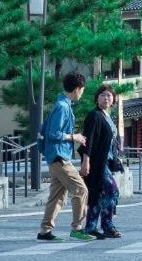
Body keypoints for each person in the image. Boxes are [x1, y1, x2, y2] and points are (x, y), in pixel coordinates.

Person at [37, 72, 95, 242]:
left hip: (55, 156)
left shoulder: (63, 104)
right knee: (80, 189)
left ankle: (45, 230)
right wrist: (74, 137)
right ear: (77, 89)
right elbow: (54, 133)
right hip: (59, 156)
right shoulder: (62, 106)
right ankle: (77, 228)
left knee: (57, 195)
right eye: (82, 89)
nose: (82, 92)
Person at [78, 83, 122, 239]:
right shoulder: (94, 115)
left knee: (99, 194)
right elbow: (87, 140)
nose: (106, 98)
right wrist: (85, 161)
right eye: (102, 95)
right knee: (112, 190)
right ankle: (107, 224)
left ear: (113, 99)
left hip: (106, 162)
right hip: (97, 162)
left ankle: (91, 227)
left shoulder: (108, 116)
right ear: (96, 99)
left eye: (109, 95)